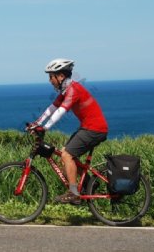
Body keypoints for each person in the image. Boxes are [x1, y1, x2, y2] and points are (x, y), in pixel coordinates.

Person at [27, 58, 108, 205]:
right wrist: (36, 123)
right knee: (64, 157)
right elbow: (52, 109)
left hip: (95, 129)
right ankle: (89, 184)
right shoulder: (67, 90)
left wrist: (44, 127)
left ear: (61, 76)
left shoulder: (73, 90)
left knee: (67, 155)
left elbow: (61, 111)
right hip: (88, 127)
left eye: (51, 77)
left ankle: (73, 193)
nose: (50, 80)